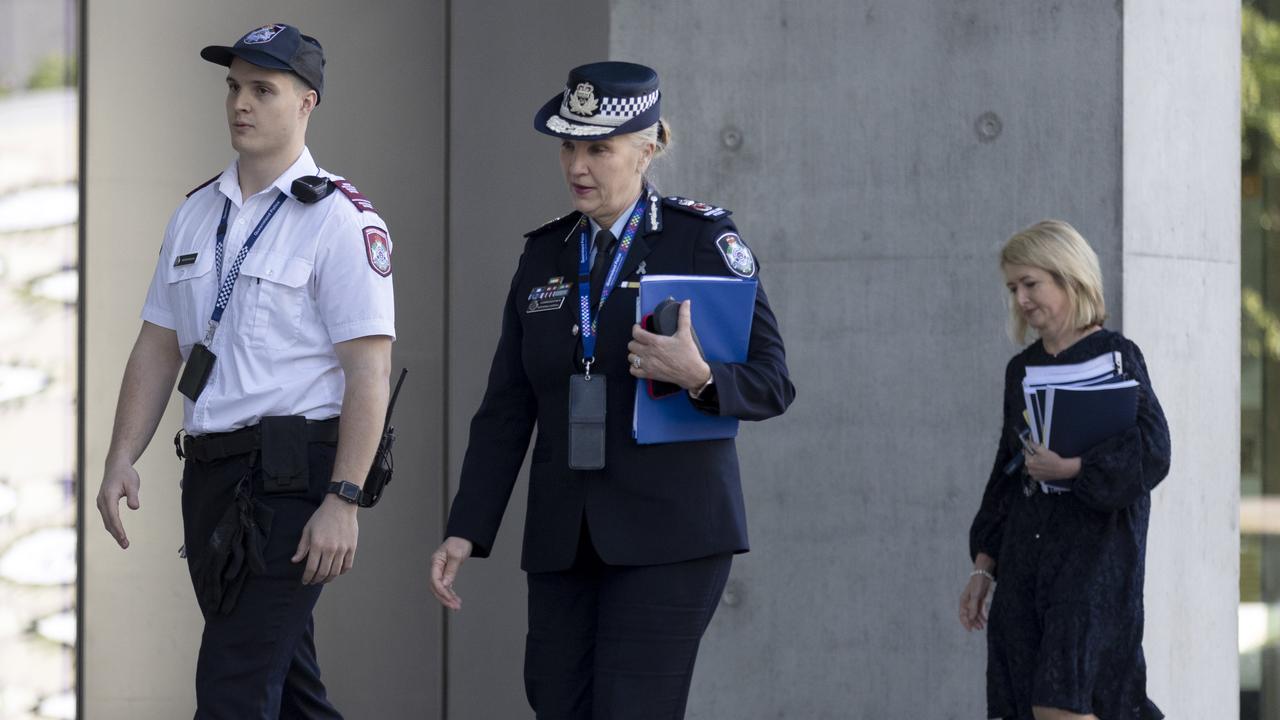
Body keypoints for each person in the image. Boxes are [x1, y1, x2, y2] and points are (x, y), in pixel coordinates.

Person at [429, 61, 795, 718]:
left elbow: (772, 382)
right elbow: (508, 408)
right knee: (556, 701)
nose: (578, 164)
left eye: (599, 148)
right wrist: (467, 528)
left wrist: (700, 376)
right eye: (569, 145)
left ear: (647, 147)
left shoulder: (701, 240)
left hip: (672, 534)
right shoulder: (543, 254)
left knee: (631, 706)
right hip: (565, 534)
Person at [94, 23, 394, 719]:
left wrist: (344, 499)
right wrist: (121, 456)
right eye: (233, 87)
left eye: (263, 89)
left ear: (307, 102)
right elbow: (158, 345)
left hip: (294, 479)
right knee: (287, 690)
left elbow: (369, 373)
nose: (241, 103)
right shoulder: (196, 213)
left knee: (233, 689)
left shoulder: (340, 222)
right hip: (210, 478)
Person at [959, 220, 1170, 720]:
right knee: (1022, 703)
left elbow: (1154, 450)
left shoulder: (1117, 357)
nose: (1022, 299)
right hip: (1027, 565)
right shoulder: (1022, 369)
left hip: (1096, 559)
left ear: (1068, 277)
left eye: (1030, 283)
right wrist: (983, 568)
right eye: (1014, 288)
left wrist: (1075, 466)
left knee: (1062, 702)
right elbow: (1005, 475)